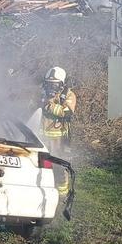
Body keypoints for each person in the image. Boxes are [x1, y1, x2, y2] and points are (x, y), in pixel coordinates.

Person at [40, 67, 77, 210]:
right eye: (49, 83)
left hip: (59, 139)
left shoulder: (69, 95)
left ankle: (62, 197)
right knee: (41, 165)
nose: (51, 87)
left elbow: (66, 112)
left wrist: (49, 105)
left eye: (54, 84)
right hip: (41, 138)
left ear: (61, 84)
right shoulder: (42, 94)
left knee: (60, 168)